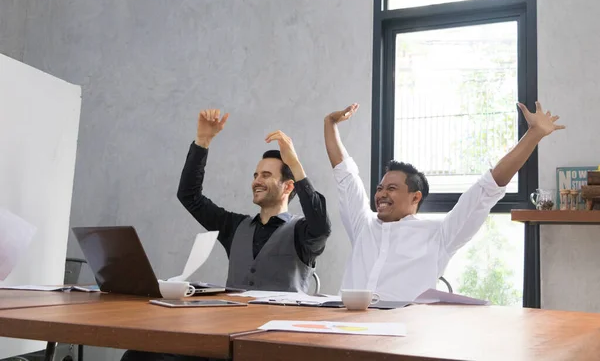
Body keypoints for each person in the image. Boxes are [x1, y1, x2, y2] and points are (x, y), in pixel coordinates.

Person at [121, 109, 331, 361]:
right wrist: (203, 142)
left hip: (275, 345)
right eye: (255, 175)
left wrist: (295, 164)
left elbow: (322, 225)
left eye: (266, 175)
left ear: (288, 186)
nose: (256, 180)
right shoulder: (234, 226)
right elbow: (190, 196)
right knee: (139, 356)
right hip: (225, 339)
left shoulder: (303, 232)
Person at [324, 101, 565, 301]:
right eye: (379, 188)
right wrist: (330, 123)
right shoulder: (363, 226)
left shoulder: (438, 235)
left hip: (404, 336)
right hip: (346, 327)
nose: (381, 194)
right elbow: (345, 175)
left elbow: (487, 188)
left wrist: (533, 135)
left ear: (415, 197)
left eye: (392, 188)